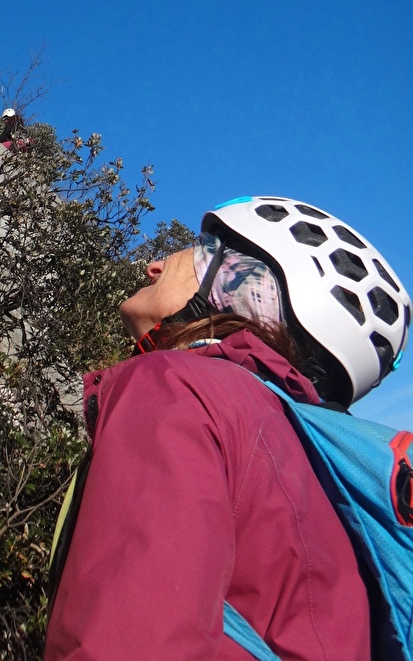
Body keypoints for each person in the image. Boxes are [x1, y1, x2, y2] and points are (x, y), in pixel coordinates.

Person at [44, 195, 411, 661]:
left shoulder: (179, 388)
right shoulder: (322, 481)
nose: (153, 266)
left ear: (245, 287)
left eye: (199, 250)